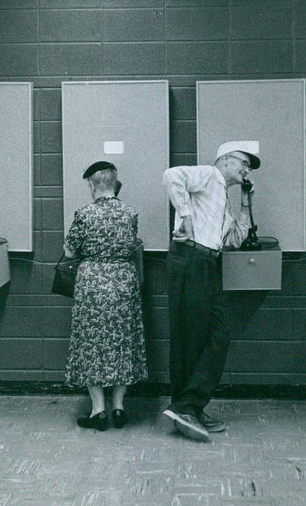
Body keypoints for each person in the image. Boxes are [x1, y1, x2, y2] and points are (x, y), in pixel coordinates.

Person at [161, 141, 260, 442]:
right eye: (244, 162)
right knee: (190, 337)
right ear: (226, 159)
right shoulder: (208, 175)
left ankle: (189, 405)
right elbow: (171, 176)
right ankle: (186, 407)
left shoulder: (226, 198)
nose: (246, 170)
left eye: (249, 167)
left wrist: (245, 203)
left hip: (206, 263)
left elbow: (235, 239)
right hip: (190, 257)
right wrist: (186, 217)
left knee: (217, 333)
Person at [63, 161, 147, 431]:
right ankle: (119, 407)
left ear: (91, 184)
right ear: (115, 184)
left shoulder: (84, 214)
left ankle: (98, 410)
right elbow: (131, 244)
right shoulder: (130, 213)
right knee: (122, 341)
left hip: (93, 283)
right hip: (123, 281)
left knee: (91, 344)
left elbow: (70, 252)